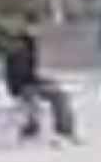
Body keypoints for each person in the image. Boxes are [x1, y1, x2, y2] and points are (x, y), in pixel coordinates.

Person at [4, 12, 81, 146]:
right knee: (32, 100)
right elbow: (15, 72)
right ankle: (31, 129)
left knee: (60, 95)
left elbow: (30, 70)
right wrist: (23, 85)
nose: (35, 30)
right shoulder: (18, 44)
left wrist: (41, 80)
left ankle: (65, 131)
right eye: (31, 27)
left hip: (31, 82)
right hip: (21, 86)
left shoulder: (30, 43)